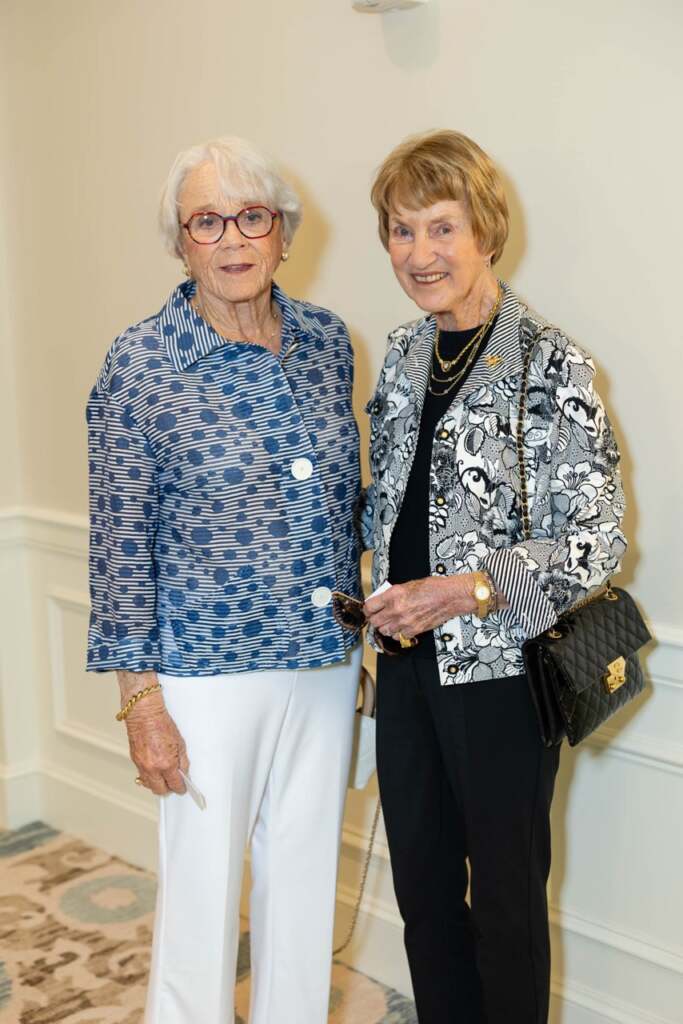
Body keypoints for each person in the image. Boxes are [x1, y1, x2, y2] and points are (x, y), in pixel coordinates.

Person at [86, 136, 363, 1024]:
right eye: (206, 221)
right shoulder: (141, 363)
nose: (233, 238)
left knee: (304, 891)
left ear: (283, 231)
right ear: (180, 242)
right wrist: (142, 703)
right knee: (202, 911)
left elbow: (343, 502)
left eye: (252, 216)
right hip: (204, 675)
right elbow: (119, 545)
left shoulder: (325, 342)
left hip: (322, 665)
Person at [357, 130, 626, 1023]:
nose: (419, 254)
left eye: (441, 228)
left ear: (485, 230)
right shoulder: (402, 353)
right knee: (424, 896)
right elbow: (391, 502)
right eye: (401, 231)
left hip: (500, 677)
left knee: (506, 908)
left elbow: (597, 540)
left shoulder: (550, 363)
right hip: (404, 670)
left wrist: (463, 590)